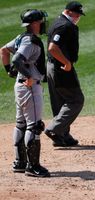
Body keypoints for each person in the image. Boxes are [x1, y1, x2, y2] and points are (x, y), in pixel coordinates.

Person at [0, 9, 50, 177]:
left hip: (20, 86)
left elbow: (4, 50)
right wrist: (28, 76)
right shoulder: (30, 41)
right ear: (35, 23)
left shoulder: (21, 37)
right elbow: (16, 59)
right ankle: (33, 166)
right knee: (34, 126)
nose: (43, 23)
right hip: (29, 86)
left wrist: (9, 71)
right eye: (41, 21)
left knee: (21, 123)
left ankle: (20, 162)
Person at [44, 1, 85, 147]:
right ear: (68, 12)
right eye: (77, 14)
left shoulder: (57, 22)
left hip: (52, 67)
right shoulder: (64, 26)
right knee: (76, 100)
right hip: (61, 68)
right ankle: (54, 129)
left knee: (59, 102)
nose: (78, 17)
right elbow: (53, 48)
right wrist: (66, 63)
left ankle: (62, 136)